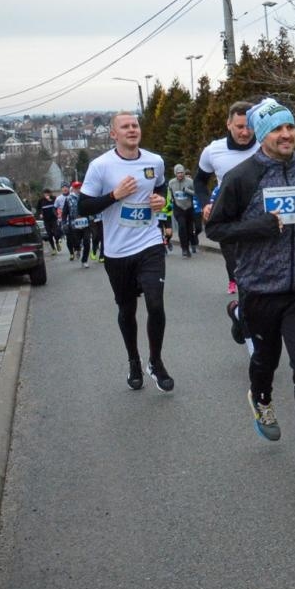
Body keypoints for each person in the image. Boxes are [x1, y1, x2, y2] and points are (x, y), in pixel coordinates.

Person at [205, 100, 295, 480]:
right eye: (277, 130)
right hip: (259, 290)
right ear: (264, 135)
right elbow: (215, 230)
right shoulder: (243, 178)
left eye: (290, 128)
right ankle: (260, 398)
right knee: (265, 362)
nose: (286, 135)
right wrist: (259, 227)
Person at [77, 112, 174, 392]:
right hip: (118, 251)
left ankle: (155, 362)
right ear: (113, 134)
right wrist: (114, 196)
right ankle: (134, 360)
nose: (132, 130)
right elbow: (83, 207)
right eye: (125, 127)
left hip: (149, 242)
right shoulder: (101, 167)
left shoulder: (154, 161)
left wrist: (160, 200)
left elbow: (160, 188)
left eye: (135, 125)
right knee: (127, 309)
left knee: (156, 304)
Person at [196, 101, 262, 294]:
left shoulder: (265, 145)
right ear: (228, 124)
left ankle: (244, 311)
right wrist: (206, 204)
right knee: (237, 269)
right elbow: (200, 181)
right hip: (228, 216)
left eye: (250, 127)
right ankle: (240, 307)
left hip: (259, 217)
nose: (245, 132)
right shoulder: (213, 150)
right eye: (240, 127)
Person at [168, 164, 199, 256]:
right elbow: (170, 194)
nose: (180, 174)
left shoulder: (190, 181)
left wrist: (187, 191)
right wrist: (171, 201)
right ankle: (184, 249)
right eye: (178, 173)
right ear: (175, 173)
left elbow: (196, 193)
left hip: (189, 208)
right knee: (182, 227)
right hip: (178, 208)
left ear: (184, 173)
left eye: (182, 172)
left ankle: (191, 243)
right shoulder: (171, 183)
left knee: (189, 229)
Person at [63, 181, 92, 267]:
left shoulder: (85, 197)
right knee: (76, 241)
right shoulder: (68, 199)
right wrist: (64, 222)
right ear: (73, 189)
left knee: (87, 242)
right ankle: (77, 249)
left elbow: (91, 208)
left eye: (80, 187)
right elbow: (65, 212)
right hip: (74, 224)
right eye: (76, 188)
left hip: (85, 222)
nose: (78, 189)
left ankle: (84, 260)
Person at [36, 188, 61, 254]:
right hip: (46, 220)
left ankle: (57, 242)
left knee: (56, 233)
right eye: (45, 193)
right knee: (49, 235)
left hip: (53, 219)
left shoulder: (54, 198)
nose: (46, 195)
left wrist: (50, 200)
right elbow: (38, 209)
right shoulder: (41, 200)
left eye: (48, 193)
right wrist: (40, 214)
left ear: (50, 193)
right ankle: (53, 249)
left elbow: (58, 206)